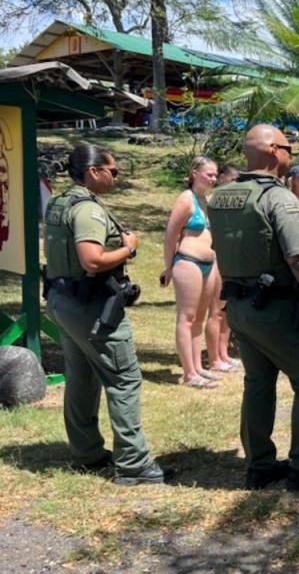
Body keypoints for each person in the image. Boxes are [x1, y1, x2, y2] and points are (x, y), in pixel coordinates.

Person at [207, 124, 299, 492]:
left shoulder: (221, 196)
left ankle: (260, 465)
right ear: (273, 150)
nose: (291, 153)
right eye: (288, 147)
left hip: (240, 306)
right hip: (280, 308)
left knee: (258, 382)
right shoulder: (280, 198)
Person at [44, 144, 169, 485]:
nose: (116, 178)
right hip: (90, 307)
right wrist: (129, 247)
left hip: (62, 301)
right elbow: (92, 260)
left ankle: (87, 453)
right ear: (95, 171)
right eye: (113, 171)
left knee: (82, 377)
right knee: (124, 379)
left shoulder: (59, 202)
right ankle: (133, 464)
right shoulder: (87, 211)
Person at [160, 156, 230, 389]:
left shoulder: (205, 200)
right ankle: (189, 373)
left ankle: (198, 366)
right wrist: (169, 267)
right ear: (194, 172)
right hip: (188, 262)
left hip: (209, 263)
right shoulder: (186, 200)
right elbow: (171, 235)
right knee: (187, 318)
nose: (213, 178)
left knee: (199, 317)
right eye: (209, 174)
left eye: (214, 175)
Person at [206, 164, 241, 373]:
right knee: (216, 310)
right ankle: (213, 358)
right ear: (221, 178)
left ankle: (223, 353)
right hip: (215, 258)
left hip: (231, 258)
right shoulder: (210, 202)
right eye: (232, 179)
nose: (235, 183)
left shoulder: (234, 204)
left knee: (227, 309)